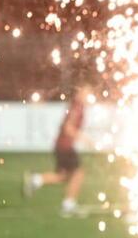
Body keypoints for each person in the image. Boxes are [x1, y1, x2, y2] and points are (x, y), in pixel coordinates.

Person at [23, 87, 91, 217]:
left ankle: (36, 179)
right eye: (87, 92)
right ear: (80, 92)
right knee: (78, 173)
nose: (88, 96)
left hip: (61, 145)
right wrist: (85, 139)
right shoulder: (77, 107)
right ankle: (68, 205)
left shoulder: (76, 106)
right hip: (65, 146)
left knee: (64, 175)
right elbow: (68, 128)